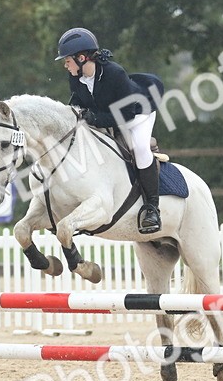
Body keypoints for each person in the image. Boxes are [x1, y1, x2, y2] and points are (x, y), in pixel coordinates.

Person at [56, 27, 165, 234]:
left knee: (139, 148)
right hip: (110, 115)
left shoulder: (115, 73)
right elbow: (78, 103)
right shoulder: (75, 78)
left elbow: (127, 115)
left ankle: (152, 208)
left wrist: (94, 118)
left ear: (81, 58)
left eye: (67, 60)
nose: (65, 65)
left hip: (138, 114)